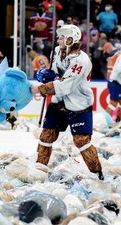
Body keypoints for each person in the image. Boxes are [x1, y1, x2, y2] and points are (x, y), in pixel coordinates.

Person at [30, 24, 104, 180]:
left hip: (78, 104)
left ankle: (97, 173)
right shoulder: (57, 51)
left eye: (61, 37)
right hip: (59, 102)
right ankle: (39, 170)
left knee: (81, 141)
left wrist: (40, 89)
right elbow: (55, 74)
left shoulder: (82, 60)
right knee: (46, 136)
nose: (58, 39)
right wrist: (45, 74)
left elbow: (65, 85)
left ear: (71, 39)